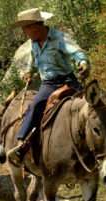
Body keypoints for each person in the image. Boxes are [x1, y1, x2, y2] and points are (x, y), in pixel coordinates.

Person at [7, 8, 90, 164]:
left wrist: (83, 63)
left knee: (92, 108)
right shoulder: (34, 44)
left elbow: (77, 52)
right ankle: (22, 144)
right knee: (36, 105)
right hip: (48, 85)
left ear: (36, 26)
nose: (25, 33)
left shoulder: (59, 38)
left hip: (68, 80)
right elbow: (31, 64)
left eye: (26, 29)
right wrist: (27, 73)